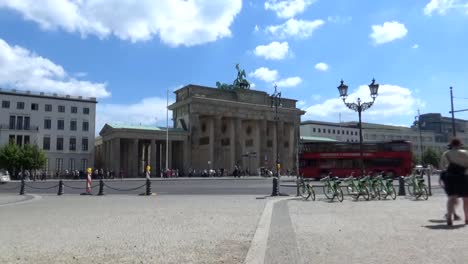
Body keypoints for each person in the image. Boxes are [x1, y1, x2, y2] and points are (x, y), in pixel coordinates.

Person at [439, 138, 468, 226]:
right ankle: (467, 218)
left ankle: (449, 217)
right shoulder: (465, 153)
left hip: (450, 177)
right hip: (464, 177)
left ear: (451, 145)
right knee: (466, 199)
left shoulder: (446, 154)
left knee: (451, 197)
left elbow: (442, 167)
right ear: (460, 145)